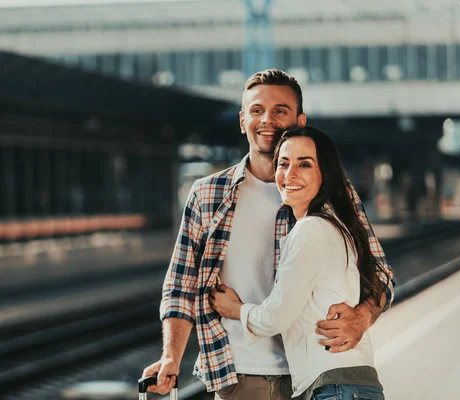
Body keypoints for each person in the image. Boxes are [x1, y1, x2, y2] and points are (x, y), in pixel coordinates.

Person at [141, 69, 395, 400]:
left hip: (315, 376)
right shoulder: (207, 195)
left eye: (280, 111)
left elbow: (381, 275)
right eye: (257, 110)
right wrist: (171, 356)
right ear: (242, 119)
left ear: (299, 121)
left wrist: (362, 317)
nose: (267, 120)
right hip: (240, 377)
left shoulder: (332, 191)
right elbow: (181, 286)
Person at [210, 126, 387, 399]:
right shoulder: (339, 226)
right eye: (283, 163)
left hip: (335, 387)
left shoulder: (310, 230)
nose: (289, 174)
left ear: (324, 174)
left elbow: (275, 317)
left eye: (304, 164)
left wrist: (236, 309)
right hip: (351, 384)